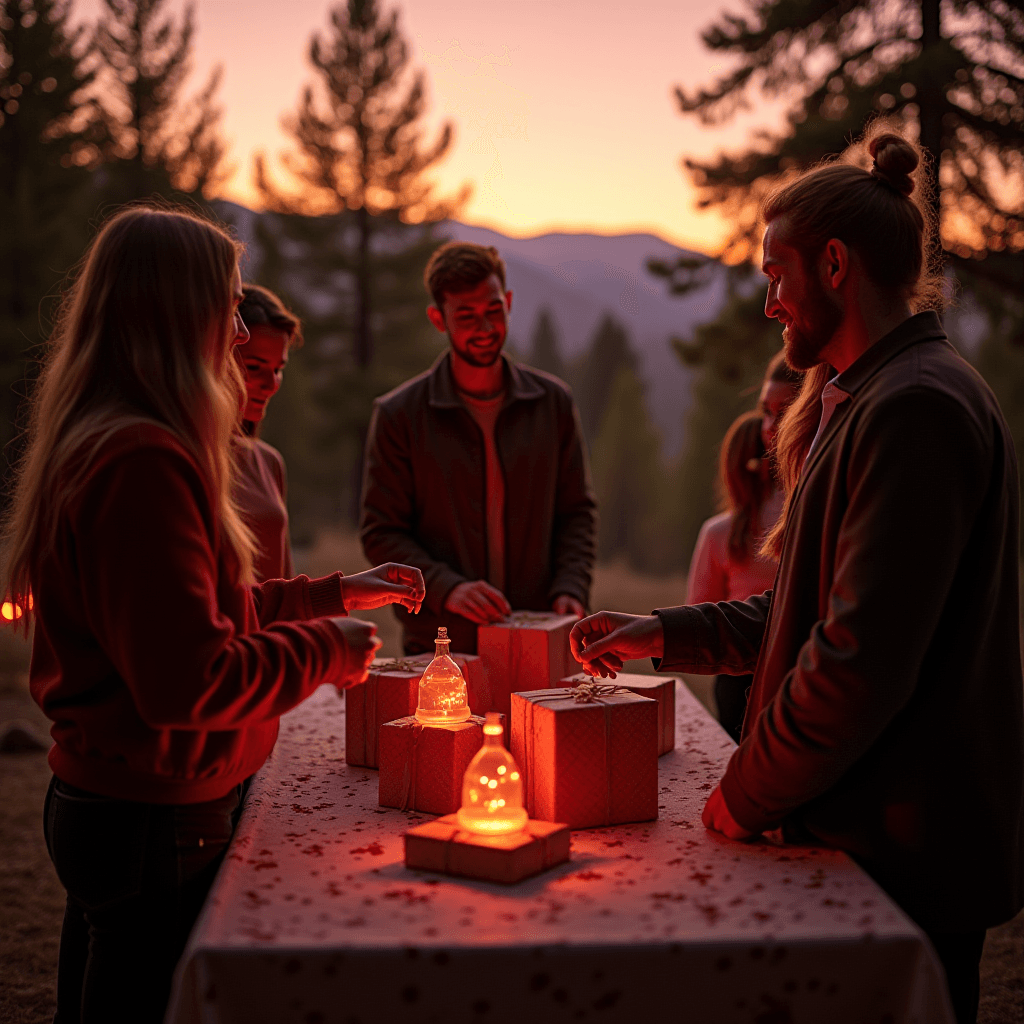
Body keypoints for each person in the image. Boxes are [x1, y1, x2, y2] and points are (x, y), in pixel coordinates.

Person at [567, 131, 1024, 1024]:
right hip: (874, 831)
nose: (770, 300)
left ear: (837, 264)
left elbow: (858, 661)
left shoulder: (916, 408)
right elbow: (803, 609)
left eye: (777, 273)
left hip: (907, 846)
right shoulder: (871, 394)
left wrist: (744, 793)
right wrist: (664, 633)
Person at [4, 206, 425, 1023]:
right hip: (152, 819)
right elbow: (186, 682)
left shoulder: (118, 440)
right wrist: (324, 650)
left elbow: (205, 614)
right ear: (175, 311)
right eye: (228, 305)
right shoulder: (142, 462)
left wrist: (332, 595)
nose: (238, 331)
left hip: (121, 805)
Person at [360, 240, 598, 654]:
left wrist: (570, 587)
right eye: (466, 316)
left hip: (539, 636)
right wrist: (446, 588)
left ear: (507, 302)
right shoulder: (400, 414)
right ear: (439, 319)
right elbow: (382, 532)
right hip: (441, 642)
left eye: (493, 311)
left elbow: (576, 513)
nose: (485, 329)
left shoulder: (552, 403)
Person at [688, 353, 802, 740]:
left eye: (782, 412)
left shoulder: (820, 508)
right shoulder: (722, 534)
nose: (770, 428)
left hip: (777, 677)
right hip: (747, 677)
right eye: (766, 414)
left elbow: (698, 615)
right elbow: (699, 618)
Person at [233, 283, 300, 581]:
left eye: (277, 369)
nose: (271, 383)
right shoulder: (189, 455)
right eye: (255, 366)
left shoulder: (269, 463)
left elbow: (284, 580)